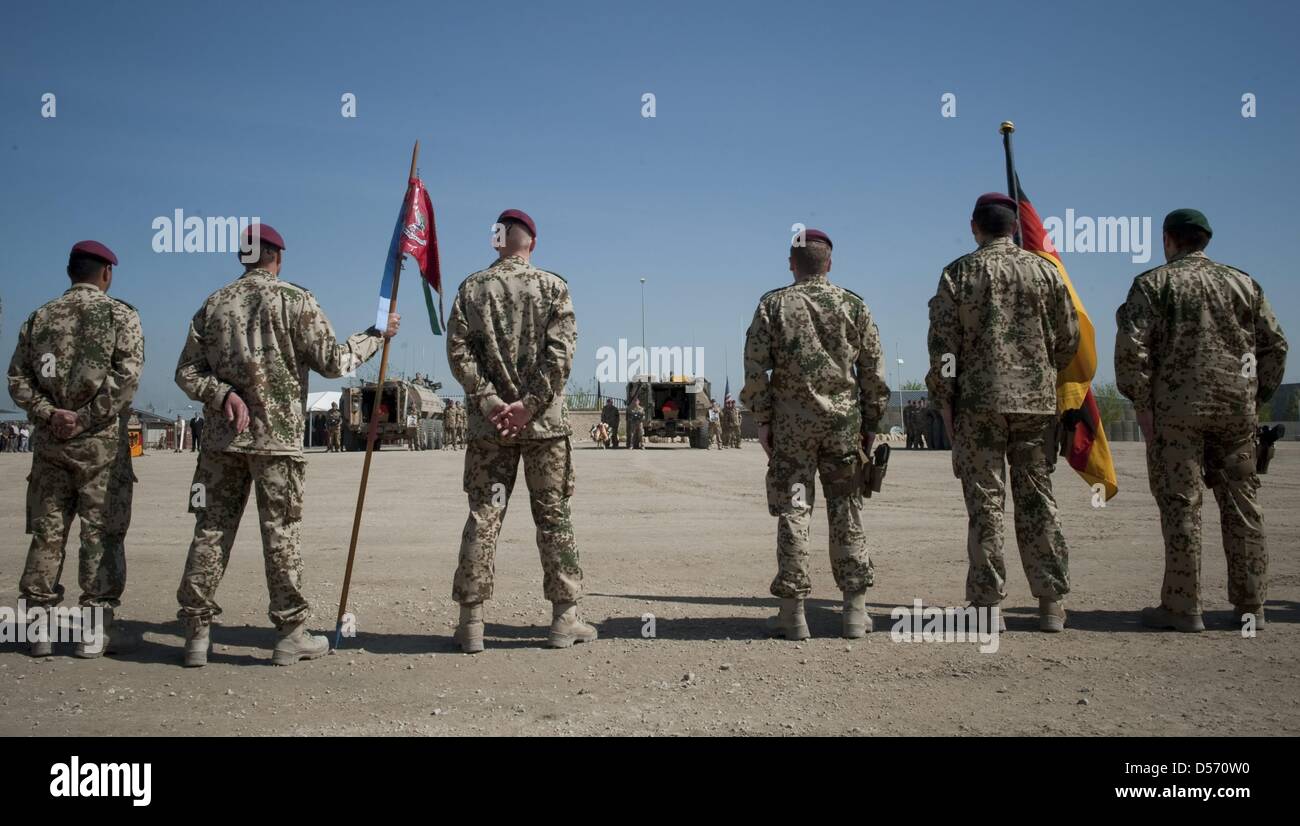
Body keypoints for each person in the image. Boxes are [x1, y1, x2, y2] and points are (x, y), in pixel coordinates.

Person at [174, 223, 399, 667]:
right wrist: (377, 334)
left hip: (222, 443)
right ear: (278, 256)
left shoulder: (213, 305)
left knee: (211, 531)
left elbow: (186, 372)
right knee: (281, 535)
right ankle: (291, 633)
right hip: (276, 442)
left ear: (243, 256)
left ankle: (196, 633)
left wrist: (222, 395)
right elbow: (334, 363)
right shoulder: (295, 301)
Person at [1115, 208, 1288, 632]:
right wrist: (1255, 396)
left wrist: (1142, 404)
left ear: (1168, 239)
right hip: (1234, 413)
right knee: (1242, 507)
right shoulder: (1244, 283)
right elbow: (1275, 346)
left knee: (1181, 508)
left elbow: (1131, 350)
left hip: (1176, 416)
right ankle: (1251, 607)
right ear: (1206, 240)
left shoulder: (1154, 284)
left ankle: (1184, 607)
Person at [927, 193, 1080, 633]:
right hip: (1034, 405)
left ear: (974, 227)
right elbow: (1069, 339)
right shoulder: (1046, 273)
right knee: (1038, 500)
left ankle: (987, 606)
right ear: (1013, 228)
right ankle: (1051, 603)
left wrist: (946, 400)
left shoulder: (958, 274)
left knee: (986, 504)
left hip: (979, 405)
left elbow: (945, 350)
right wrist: (1040, 369)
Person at [447, 208, 594, 653]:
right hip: (543, 428)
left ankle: (472, 622)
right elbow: (560, 356)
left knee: (485, 515)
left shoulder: (471, 289)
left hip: (492, 429)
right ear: (532, 242)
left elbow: (459, 351)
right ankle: (564, 619)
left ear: (497, 239)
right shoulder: (553, 287)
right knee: (553, 516)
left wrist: (491, 401)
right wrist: (528, 407)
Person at [742, 228, 890, 640]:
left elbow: (755, 369)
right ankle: (855, 613)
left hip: (792, 428)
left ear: (792, 264)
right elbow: (874, 372)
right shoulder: (853, 306)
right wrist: (872, 424)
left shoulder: (773, 306)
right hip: (844, 428)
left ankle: (792, 615)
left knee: (794, 510)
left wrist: (764, 419)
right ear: (829, 264)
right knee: (847, 510)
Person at [7, 240, 144, 657]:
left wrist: (51, 414)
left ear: (70, 272)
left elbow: (17, 380)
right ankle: (94, 629)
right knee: (100, 535)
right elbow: (126, 380)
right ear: (106, 273)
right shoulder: (120, 315)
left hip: (51, 445)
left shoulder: (40, 318)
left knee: (47, 535)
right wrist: (85, 418)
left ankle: (38, 629)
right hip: (101, 449)